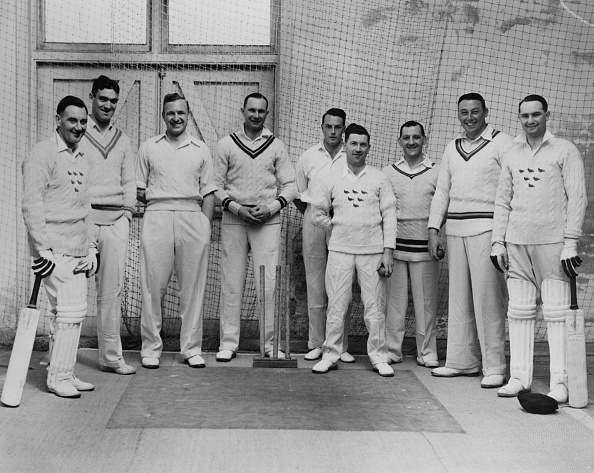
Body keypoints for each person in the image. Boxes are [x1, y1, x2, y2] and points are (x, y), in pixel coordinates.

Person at [491, 95, 587, 402]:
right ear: (518, 118)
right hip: (516, 243)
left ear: (547, 115)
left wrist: (570, 242)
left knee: (557, 313)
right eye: (525, 116)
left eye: (536, 114)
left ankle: (561, 382)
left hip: (553, 243)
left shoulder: (565, 150)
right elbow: (502, 200)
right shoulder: (511, 153)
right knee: (518, 311)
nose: (530, 120)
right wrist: (497, 240)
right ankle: (520, 377)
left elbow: (578, 198)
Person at [428, 93, 513, 388]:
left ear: (486, 112)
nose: (469, 117)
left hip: (487, 229)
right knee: (459, 301)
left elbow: (510, 188)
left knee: (488, 301)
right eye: (464, 112)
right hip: (455, 230)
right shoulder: (452, 147)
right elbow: (442, 191)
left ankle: (495, 367)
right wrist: (433, 229)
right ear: (458, 115)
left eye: (475, 111)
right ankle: (461, 362)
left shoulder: (503, 142)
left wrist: (502, 236)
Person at [22, 95, 98, 398]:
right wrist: (42, 249)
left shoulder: (83, 156)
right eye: (72, 120)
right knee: (68, 312)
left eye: (82, 122)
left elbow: (86, 206)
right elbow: (32, 205)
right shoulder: (41, 154)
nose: (78, 127)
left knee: (72, 314)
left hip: (78, 248)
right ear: (58, 120)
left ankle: (64, 372)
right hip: (54, 250)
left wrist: (91, 247)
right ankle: (57, 378)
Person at [214, 93, 297, 361]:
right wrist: (237, 208)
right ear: (243, 110)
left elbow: (292, 186)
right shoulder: (226, 144)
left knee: (268, 284)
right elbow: (214, 185)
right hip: (235, 220)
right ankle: (228, 343)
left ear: (267, 113)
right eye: (251, 110)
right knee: (231, 282)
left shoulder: (276, 146)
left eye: (261, 111)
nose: (256, 115)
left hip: (267, 222)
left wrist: (270, 207)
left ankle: (270, 344)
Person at [136, 93, 216, 369]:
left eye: (181, 113)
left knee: (192, 288)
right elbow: (138, 188)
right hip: (157, 214)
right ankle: (151, 347)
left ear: (188, 114)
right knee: (152, 286)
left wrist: (203, 225)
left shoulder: (200, 148)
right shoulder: (149, 147)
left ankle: (191, 349)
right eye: (170, 113)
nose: (176, 118)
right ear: (163, 116)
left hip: (192, 216)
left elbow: (208, 191)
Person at [311, 123, 397, 377]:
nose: (358, 149)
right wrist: (338, 226)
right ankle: (330, 354)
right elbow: (317, 213)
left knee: (374, 307)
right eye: (353, 144)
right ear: (345, 145)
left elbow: (390, 215)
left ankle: (379, 357)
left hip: (372, 252)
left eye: (363, 144)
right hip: (340, 250)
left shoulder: (379, 177)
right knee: (337, 305)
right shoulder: (330, 176)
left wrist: (388, 250)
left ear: (368, 147)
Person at [80, 75, 136, 375]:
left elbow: (129, 182)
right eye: (103, 99)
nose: (108, 105)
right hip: (83, 220)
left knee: (110, 293)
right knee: (70, 291)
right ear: (92, 98)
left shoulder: (123, 139)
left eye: (113, 101)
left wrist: (126, 215)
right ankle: (56, 355)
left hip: (115, 222)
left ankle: (111, 358)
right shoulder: (77, 132)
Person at [294, 108, 354, 363]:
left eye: (337, 127)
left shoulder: (350, 155)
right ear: (322, 127)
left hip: (343, 221)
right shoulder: (308, 156)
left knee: (342, 283)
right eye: (328, 127)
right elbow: (299, 195)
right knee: (315, 283)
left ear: (343, 129)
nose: (333, 132)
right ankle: (317, 343)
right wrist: (315, 215)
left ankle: (340, 345)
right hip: (314, 220)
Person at [382, 121, 440, 368]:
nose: (412, 142)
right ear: (400, 141)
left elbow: (441, 207)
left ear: (424, 140)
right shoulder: (388, 172)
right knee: (394, 303)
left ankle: (427, 353)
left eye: (416, 137)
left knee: (426, 303)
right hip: (395, 246)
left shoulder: (437, 170)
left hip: (425, 248)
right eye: (406, 138)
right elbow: (384, 211)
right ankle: (392, 350)